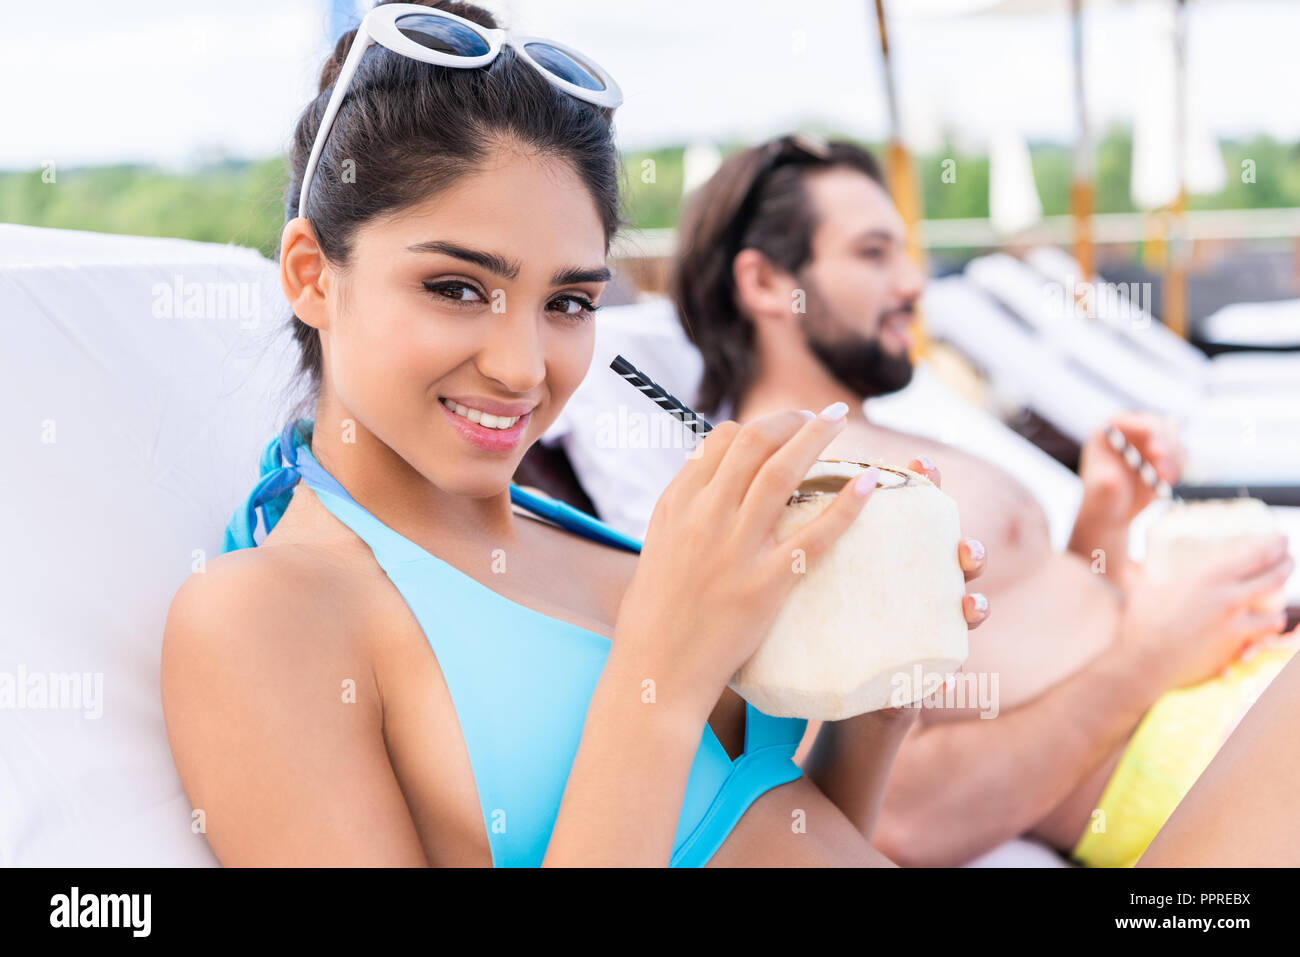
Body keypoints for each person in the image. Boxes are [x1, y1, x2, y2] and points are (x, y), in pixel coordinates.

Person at [159, 1, 986, 867]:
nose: (523, 368)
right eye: (457, 287)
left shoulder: (595, 544)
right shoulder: (261, 615)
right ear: (312, 278)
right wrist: (661, 679)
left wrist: (878, 705)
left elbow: (770, 828)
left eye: (567, 303)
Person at [670, 133, 1297, 867]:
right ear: (767, 283)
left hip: (1226, 694)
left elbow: (1015, 630)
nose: (913, 282)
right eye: (873, 254)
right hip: (1174, 757)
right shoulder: (792, 498)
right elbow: (894, 814)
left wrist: (1102, 520)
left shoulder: (879, 437)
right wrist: (1151, 656)